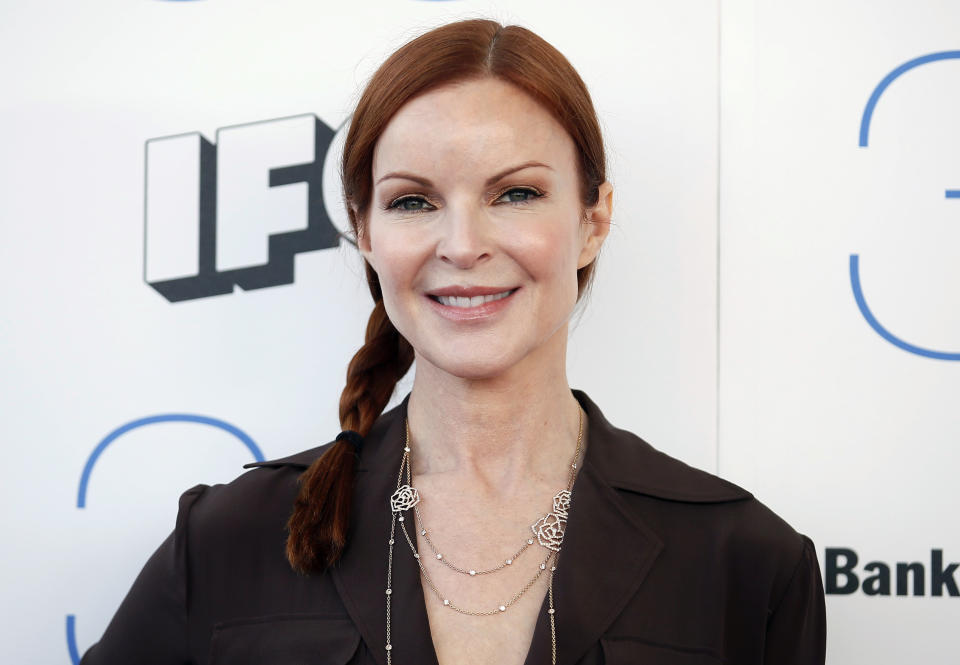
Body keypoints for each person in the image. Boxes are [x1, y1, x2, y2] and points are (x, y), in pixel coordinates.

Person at [80, 18, 826, 665]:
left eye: (516, 193)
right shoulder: (229, 538)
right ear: (366, 231)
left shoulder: (745, 562)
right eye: (414, 200)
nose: (463, 244)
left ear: (594, 220)